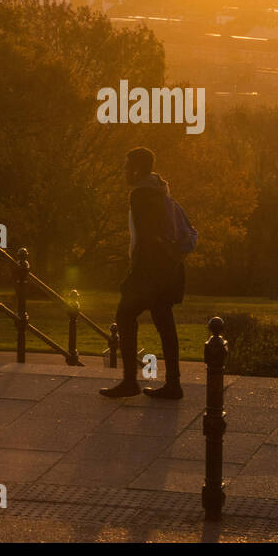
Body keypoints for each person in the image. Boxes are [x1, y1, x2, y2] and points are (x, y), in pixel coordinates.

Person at [99, 147, 186, 399]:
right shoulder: (160, 188)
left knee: (125, 316)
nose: (125, 171)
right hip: (168, 267)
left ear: (137, 168)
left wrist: (133, 274)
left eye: (127, 166)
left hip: (150, 270)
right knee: (165, 323)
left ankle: (129, 381)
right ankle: (173, 383)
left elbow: (146, 237)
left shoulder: (141, 194)